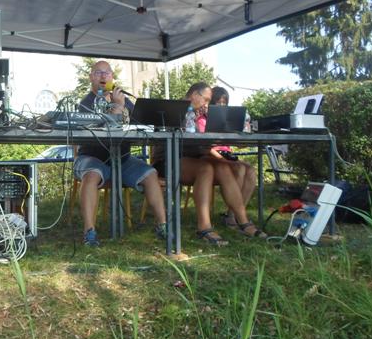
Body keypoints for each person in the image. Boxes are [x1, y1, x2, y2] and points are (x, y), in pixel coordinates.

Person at [151, 82, 265, 246]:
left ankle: (242, 221)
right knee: (205, 168)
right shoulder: (173, 109)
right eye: (205, 99)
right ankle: (204, 227)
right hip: (167, 160)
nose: (206, 104)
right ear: (194, 95)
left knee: (222, 166)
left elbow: (198, 145)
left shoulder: (196, 114)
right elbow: (173, 142)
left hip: (193, 159)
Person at [74, 60, 167, 247]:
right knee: (91, 176)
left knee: (151, 174)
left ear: (112, 77)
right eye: (98, 73)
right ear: (91, 77)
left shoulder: (123, 98)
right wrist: (117, 108)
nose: (103, 76)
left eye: (107, 73)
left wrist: (122, 107)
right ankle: (89, 232)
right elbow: (101, 128)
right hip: (92, 158)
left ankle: (163, 226)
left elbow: (138, 123)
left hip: (122, 159)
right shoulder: (86, 102)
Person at [208, 86, 257, 230]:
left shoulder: (227, 120)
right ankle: (232, 216)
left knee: (251, 171)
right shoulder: (205, 118)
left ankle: (233, 213)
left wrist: (245, 136)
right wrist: (223, 159)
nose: (221, 105)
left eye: (224, 102)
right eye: (218, 102)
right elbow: (206, 147)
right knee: (240, 169)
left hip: (227, 156)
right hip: (213, 156)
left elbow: (238, 144)